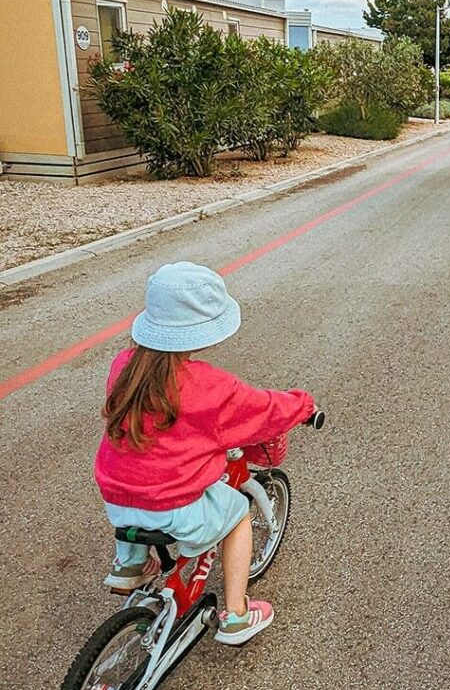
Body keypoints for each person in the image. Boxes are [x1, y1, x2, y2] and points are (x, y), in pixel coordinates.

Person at [94, 261, 315, 646]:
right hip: (172, 505)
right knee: (237, 515)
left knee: (137, 478)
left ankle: (129, 563)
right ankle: (236, 616)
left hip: (116, 497)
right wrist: (303, 405)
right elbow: (263, 410)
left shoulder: (123, 367)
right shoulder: (209, 386)